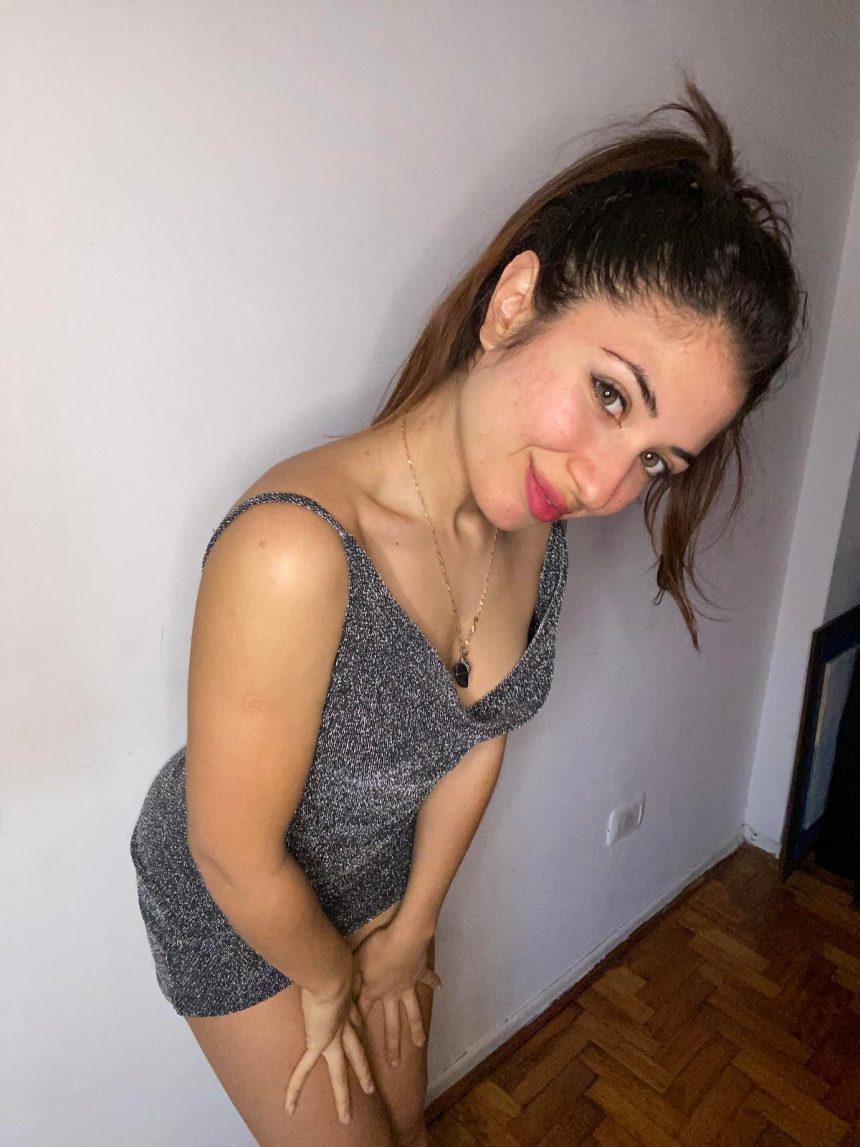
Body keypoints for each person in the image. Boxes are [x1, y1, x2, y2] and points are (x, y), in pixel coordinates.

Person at [130, 79, 805, 1146]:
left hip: (379, 873)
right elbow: (229, 848)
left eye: (655, 460)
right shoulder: (293, 551)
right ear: (513, 302)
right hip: (240, 899)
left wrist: (413, 928)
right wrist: (329, 976)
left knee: (409, 1125)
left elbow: (480, 733)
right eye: (610, 394)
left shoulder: (533, 524)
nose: (603, 484)